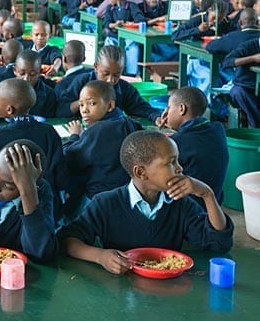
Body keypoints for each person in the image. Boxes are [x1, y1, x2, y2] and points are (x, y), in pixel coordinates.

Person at [58, 130, 233, 275]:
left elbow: (218, 243)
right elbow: (68, 240)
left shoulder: (180, 204)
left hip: (167, 291)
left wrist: (208, 194)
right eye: (171, 162)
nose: (180, 168)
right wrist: (100, 256)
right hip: (119, 289)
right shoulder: (106, 204)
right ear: (141, 173)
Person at [0, 78, 67, 218]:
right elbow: (59, 168)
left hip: (7, 202)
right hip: (44, 199)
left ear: (9, 109)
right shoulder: (49, 131)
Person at [62, 80, 142, 216]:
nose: (84, 110)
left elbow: (70, 159)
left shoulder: (97, 131)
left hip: (97, 198)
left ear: (110, 105)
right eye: (81, 104)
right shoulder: (131, 124)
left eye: (92, 103)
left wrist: (74, 136)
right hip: (127, 194)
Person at [158, 87, 228, 205]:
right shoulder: (218, 129)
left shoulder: (177, 142)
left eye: (169, 108)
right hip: (214, 202)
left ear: (181, 109)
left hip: (190, 208)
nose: (166, 112)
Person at [55, 45, 161, 122]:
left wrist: (157, 116)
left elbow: (140, 107)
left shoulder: (124, 88)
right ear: (96, 67)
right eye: (105, 74)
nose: (111, 80)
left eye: (116, 74)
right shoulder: (81, 82)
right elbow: (61, 110)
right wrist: (84, 102)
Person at [222, 37, 260, 128]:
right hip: (245, 87)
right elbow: (227, 62)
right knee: (238, 93)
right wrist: (253, 58)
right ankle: (257, 128)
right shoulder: (247, 46)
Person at [14, 50, 57, 118]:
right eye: (22, 74)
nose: (26, 78)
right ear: (15, 70)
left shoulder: (49, 95)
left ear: (40, 72)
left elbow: (49, 122)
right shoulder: (5, 91)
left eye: (32, 74)